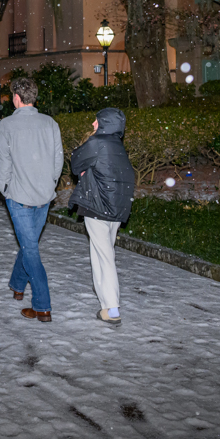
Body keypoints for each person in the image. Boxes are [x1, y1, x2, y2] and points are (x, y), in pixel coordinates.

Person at [0, 77, 63, 323]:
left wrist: (5, 188)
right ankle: (17, 285)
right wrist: (49, 183)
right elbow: (58, 161)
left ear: (16, 97)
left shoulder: (7, 126)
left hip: (20, 197)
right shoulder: (50, 123)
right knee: (29, 242)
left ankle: (42, 306)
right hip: (44, 196)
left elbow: (2, 163)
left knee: (30, 248)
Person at [69, 108, 136, 328]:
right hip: (116, 209)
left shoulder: (97, 143)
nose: (93, 124)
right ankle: (106, 305)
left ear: (104, 123)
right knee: (102, 254)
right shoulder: (118, 146)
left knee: (104, 257)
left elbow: (75, 161)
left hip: (98, 208)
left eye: (96, 121)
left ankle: (113, 307)